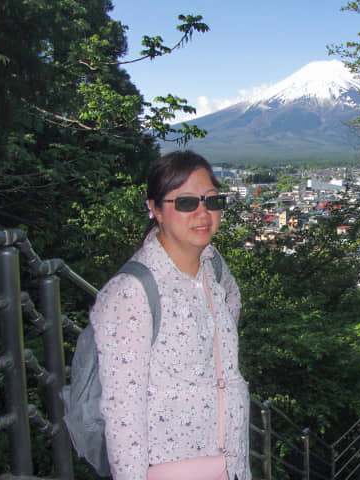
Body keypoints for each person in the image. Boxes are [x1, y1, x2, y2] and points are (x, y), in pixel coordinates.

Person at [91, 151, 250, 480]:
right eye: (186, 202)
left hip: (231, 461)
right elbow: (123, 413)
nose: (203, 213)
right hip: (170, 467)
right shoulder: (129, 293)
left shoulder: (213, 264)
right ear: (155, 209)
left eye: (212, 201)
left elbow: (231, 305)